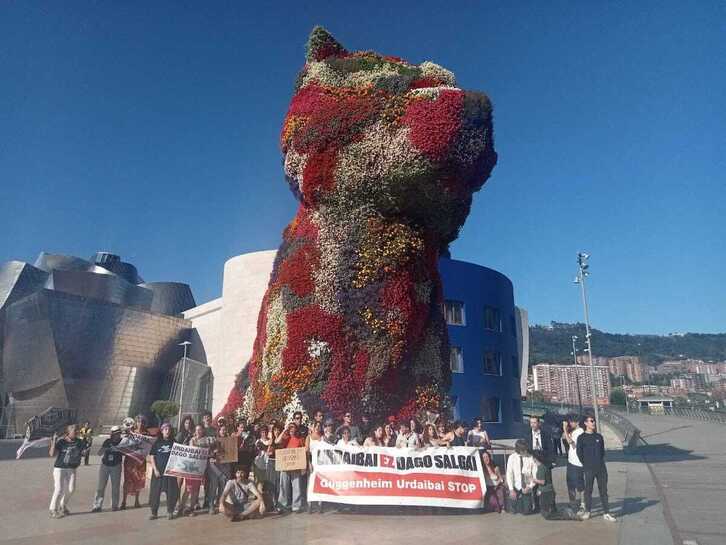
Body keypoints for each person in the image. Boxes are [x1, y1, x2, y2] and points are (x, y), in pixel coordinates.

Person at [576, 416, 616, 522]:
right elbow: (579, 453)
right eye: (591, 421)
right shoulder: (581, 438)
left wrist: (599, 461)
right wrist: (586, 464)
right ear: (585, 423)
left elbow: (602, 452)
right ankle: (588, 511)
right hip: (589, 468)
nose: (593, 423)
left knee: (603, 490)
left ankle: (606, 513)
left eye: (594, 421)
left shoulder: (599, 437)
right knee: (588, 490)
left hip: (601, 468)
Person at [49, 424, 87, 518]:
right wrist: (54, 440)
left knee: (71, 489)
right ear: (68, 432)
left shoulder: (79, 441)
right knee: (59, 489)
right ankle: (53, 509)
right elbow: (51, 454)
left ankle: (63, 505)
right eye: (74, 431)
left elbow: (83, 453)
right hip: (60, 468)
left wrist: (84, 452)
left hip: (72, 468)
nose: (76, 432)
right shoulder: (61, 442)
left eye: (77, 430)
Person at [531, 451, 581, 521]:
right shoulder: (544, 466)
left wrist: (534, 480)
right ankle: (565, 512)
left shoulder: (541, 468)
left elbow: (542, 482)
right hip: (548, 491)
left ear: (535, 458)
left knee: (546, 514)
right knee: (549, 511)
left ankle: (566, 514)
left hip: (546, 492)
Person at [177, 424, 215, 516]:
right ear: (195, 431)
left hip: (200, 468)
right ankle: (181, 507)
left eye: (200, 429)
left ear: (203, 431)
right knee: (188, 489)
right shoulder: (192, 440)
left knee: (196, 490)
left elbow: (209, 452)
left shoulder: (207, 440)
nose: (198, 431)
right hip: (190, 468)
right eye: (197, 430)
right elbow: (191, 450)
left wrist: (211, 450)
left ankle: (191, 508)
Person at [148, 423, 179, 520]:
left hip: (170, 472)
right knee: (155, 492)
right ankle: (154, 512)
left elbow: (179, 456)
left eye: (169, 429)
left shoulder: (174, 442)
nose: (167, 431)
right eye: (165, 429)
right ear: (161, 431)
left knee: (172, 492)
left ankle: (170, 511)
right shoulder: (157, 443)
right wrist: (155, 469)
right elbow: (152, 456)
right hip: (158, 472)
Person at [91, 425, 124, 512]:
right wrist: (105, 448)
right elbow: (99, 453)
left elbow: (126, 453)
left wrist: (118, 449)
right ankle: (97, 506)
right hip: (105, 465)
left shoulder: (122, 442)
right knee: (101, 486)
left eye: (119, 433)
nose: (118, 435)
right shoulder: (107, 441)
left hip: (116, 465)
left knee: (115, 487)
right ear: (112, 434)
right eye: (116, 434)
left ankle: (114, 505)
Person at [276, 421, 306, 513]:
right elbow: (277, 441)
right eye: (290, 427)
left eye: (293, 427)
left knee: (297, 486)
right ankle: (282, 505)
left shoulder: (300, 439)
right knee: (283, 486)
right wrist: (284, 430)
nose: (291, 429)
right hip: (285, 465)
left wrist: (303, 466)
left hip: (296, 466)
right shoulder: (285, 437)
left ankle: (296, 506)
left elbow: (303, 451)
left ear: (296, 429)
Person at [120, 415, 148, 510]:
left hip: (140, 461)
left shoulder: (146, 434)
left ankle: (137, 500)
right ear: (135, 422)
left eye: (142, 422)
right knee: (127, 480)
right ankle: (124, 501)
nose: (141, 423)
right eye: (139, 421)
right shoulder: (130, 432)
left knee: (139, 480)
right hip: (130, 460)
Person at [505, 439, 535, 515]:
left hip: (526, 486)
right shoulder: (511, 458)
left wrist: (530, 487)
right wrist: (511, 489)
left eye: (526, 449)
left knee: (527, 512)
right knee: (512, 511)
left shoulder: (530, 457)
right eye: (524, 450)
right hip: (516, 486)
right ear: (519, 450)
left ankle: (525, 503)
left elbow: (535, 474)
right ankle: (515, 503)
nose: (526, 451)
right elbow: (509, 474)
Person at [563, 415, 586, 515]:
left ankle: (583, 504)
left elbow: (571, 442)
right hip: (571, 461)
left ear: (577, 422)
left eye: (571, 422)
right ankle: (573, 503)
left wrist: (564, 428)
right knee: (570, 484)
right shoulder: (574, 431)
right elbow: (564, 437)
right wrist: (567, 430)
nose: (570, 423)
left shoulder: (580, 432)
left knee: (580, 486)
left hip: (578, 463)